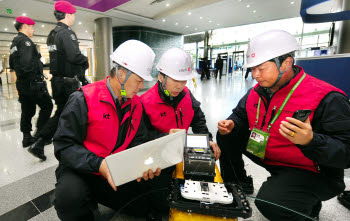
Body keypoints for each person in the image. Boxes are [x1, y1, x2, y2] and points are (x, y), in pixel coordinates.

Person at [217, 30, 350, 220]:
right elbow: (239, 115)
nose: (255, 75)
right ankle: (238, 183)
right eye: (252, 69)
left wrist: (311, 141)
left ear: (286, 63)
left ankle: (307, 207)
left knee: (271, 203)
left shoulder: (328, 98)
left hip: (310, 170)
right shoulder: (258, 91)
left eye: (261, 69)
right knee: (226, 134)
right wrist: (232, 124)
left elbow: (346, 153)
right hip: (270, 154)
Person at [53, 40, 173, 221]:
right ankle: (82, 203)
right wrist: (98, 164)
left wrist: (149, 160)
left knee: (142, 206)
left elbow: (139, 140)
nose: (141, 87)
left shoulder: (135, 105)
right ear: (122, 74)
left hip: (113, 170)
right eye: (139, 81)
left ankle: (94, 196)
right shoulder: (83, 99)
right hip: (82, 170)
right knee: (69, 198)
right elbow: (64, 146)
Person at [29, 0, 89, 160]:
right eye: (73, 14)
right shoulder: (66, 33)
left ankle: (42, 139)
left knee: (62, 110)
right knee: (66, 111)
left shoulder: (52, 34)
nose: (74, 17)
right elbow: (74, 56)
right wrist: (85, 60)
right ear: (68, 14)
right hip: (67, 82)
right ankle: (41, 140)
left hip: (57, 81)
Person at [141, 47, 221, 160]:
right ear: (161, 77)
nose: (179, 86)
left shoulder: (186, 94)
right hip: (157, 158)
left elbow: (198, 120)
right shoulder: (145, 102)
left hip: (180, 155)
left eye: (183, 80)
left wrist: (207, 140)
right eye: (175, 80)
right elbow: (142, 136)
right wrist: (166, 137)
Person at [9, 16, 53, 150]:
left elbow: (12, 64)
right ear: (25, 26)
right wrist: (35, 78)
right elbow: (28, 64)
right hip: (33, 83)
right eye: (32, 27)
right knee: (47, 106)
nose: (33, 29)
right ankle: (41, 135)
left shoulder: (14, 43)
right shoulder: (26, 42)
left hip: (22, 84)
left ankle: (26, 137)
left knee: (27, 110)